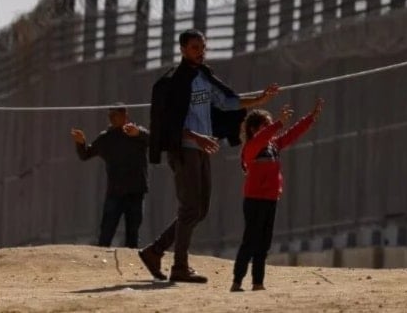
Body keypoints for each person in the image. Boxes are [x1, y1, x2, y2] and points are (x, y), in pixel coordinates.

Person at [138, 29, 281, 283]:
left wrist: (260, 99)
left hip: (203, 149)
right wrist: (197, 137)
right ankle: (179, 266)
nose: (200, 52)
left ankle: (155, 251)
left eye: (203, 47)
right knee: (190, 207)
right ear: (183, 49)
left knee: (199, 210)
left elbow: (227, 102)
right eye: (195, 47)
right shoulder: (173, 81)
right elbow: (169, 123)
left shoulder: (203, 76)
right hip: (184, 150)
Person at [231, 98, 324, 292]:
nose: (270, 128)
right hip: (254, 199)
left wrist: (310, 118)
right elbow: (262, 138)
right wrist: (279, 123)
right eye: (266, 124)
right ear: (254, 129)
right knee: (250, 241)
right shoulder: (251, 148)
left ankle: (258, 282)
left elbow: (292, 134)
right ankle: (237, 281)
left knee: (263, 243)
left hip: (271, 199)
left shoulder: (273, 146)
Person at [70, 103, 149, 248]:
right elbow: (86, 154)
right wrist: (81, 143)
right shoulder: (106, 138)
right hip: (115, 191)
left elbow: (154, 141)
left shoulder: (137, 133)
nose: (112, 119)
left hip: (135, 191)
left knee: (133, 233)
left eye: (115, 116)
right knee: (106, 232)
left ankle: (129, 264)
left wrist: (138, 133)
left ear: (125, 117)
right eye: (110, 116)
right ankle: (101, 266)